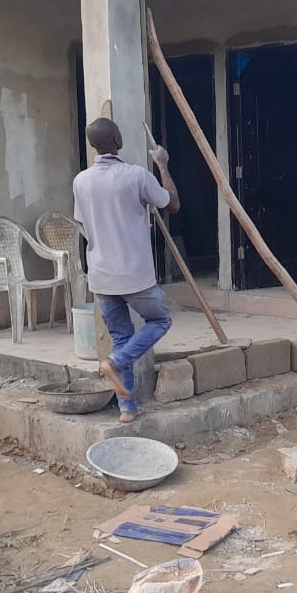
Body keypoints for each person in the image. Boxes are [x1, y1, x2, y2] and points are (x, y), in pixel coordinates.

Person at [72, 117, 180, 423]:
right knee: (160, 320)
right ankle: (117, 362)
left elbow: (89, 223)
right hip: (134, 275)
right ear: (119, 141)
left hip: (101, 276)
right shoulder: (137, 175)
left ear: (92, 145)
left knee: (122, 336)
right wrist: (162, 164)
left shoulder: (81, 181)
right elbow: (172, 204)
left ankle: (127, 408)